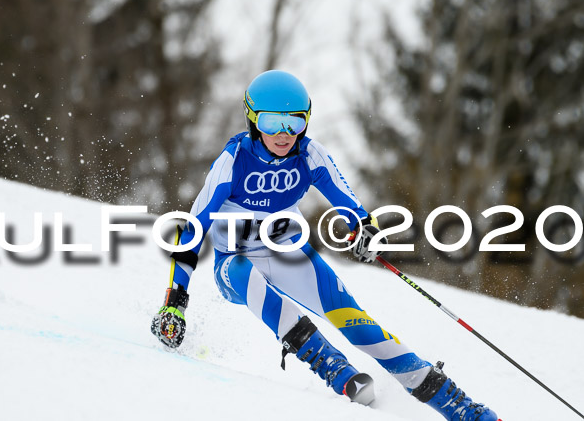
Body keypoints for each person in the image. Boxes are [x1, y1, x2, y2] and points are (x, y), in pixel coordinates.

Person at [151, 70, 500, 420]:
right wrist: (175, 303)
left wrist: (364, 229)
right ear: (253, 120)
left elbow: (349, 203)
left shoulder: (309, 155)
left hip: (287, 252)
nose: (284, 134)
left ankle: (461, 407)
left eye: (295, 122)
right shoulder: (232, 163)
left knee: (356, 322)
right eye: (272, 123)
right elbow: (192, 232)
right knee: (244, 271)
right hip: (233, 262)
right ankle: (331, 365)